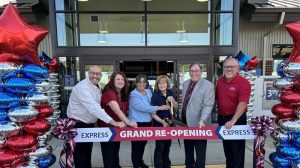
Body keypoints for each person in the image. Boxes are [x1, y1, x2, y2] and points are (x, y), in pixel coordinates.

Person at [67, 66, 125, 168]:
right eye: (93, 73)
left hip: (88, 125)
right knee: (80, 156)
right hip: (78, 124)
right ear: (88, 73)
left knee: (87, 154)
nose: (95, 76)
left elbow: (98, 106)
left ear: (101, 76)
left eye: (98, 74)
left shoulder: (97, 87)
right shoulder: (82, 87)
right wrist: (113, 122)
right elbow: (93, 107)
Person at [128, 74, 170, 168]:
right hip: (136, 124)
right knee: (136, 147)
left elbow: (153, 102)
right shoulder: (133, 94)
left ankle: (140, 162)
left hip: (147, 123)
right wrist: (160, 107)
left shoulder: (149, 91)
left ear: (146, 83)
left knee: (143, 145)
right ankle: (136, 165)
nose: (141, 84)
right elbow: (144, 108)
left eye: (143, 82)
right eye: (139, 82)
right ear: (136, 83)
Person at [97, 71, 137, 168]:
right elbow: (117, 110)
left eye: (122, 79)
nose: (120, 81)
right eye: (117, 79)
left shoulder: (121, 94)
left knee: (115, 154)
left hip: (117, 128)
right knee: (109, 156)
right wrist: (128, 122)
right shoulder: (109, 93)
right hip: (107, 129)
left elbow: (124, 111)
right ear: (112, 81)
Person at [216, 58, 251, 168]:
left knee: (237, 152)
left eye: (232, 66)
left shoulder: (244, 82)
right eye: (227, 67)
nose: (229, 69)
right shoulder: (220, 81)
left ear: (238, 68)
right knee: (228, 150)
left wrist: (233, 121)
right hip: (223, 119)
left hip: (237, 119)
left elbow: (243, 104)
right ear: (223, 68)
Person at [181, 62, 215, 168]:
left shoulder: (208, 85)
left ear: (201, 72)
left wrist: (203, 119)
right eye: (191, 71)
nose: (194, 73)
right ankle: (189, 165)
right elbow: (186, 102)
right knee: (188, 150)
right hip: (185, 123)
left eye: (196, 71)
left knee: (200, 152)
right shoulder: (186, 83)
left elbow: (208, 105)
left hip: (200, 124)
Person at [151, 75, 178, 168]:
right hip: (159, 124)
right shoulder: (155, 96)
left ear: (167, 84)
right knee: (160, 147)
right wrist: (162, 122)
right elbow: (152, 113)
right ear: (157, 85)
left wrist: (173, 101)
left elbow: (176, 107)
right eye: (160, 83)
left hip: (169, 124)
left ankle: (167, 165)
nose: (162, 85)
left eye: (164, 82)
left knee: (167, 146)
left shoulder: (170, 92)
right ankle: (158, 165)